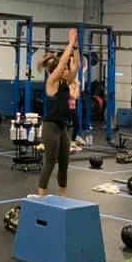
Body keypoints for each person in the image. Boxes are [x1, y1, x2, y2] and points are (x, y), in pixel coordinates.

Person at [34, 28, 79, 198]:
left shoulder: (66, 83)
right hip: (50, 127)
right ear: (57, 71)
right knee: (50, 162)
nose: (67, 70)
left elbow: (77, 65)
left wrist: (76, 47)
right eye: (63, 69)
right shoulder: (52, 82)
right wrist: (70, 43)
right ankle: (41, 197)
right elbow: (62, 64)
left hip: (62, 128)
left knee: (64, 163)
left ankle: (63, 197)